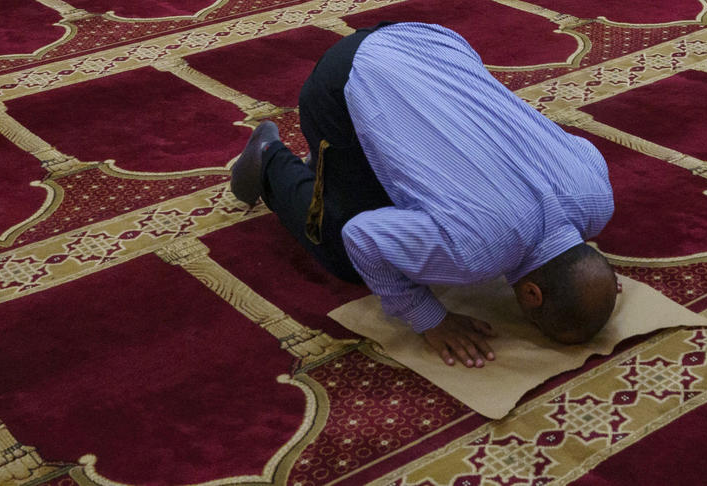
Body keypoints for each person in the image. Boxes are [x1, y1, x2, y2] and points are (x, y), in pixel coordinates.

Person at [229, 22, 618, 368]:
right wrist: (429, 317)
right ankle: (269, 162)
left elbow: (581, 148)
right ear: (531, 295)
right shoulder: (475, 253)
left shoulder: (597, 199)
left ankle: (339, 163)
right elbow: (362, 238)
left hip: (430, 40)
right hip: (343, 80)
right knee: (345, 252)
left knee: (408, 197)